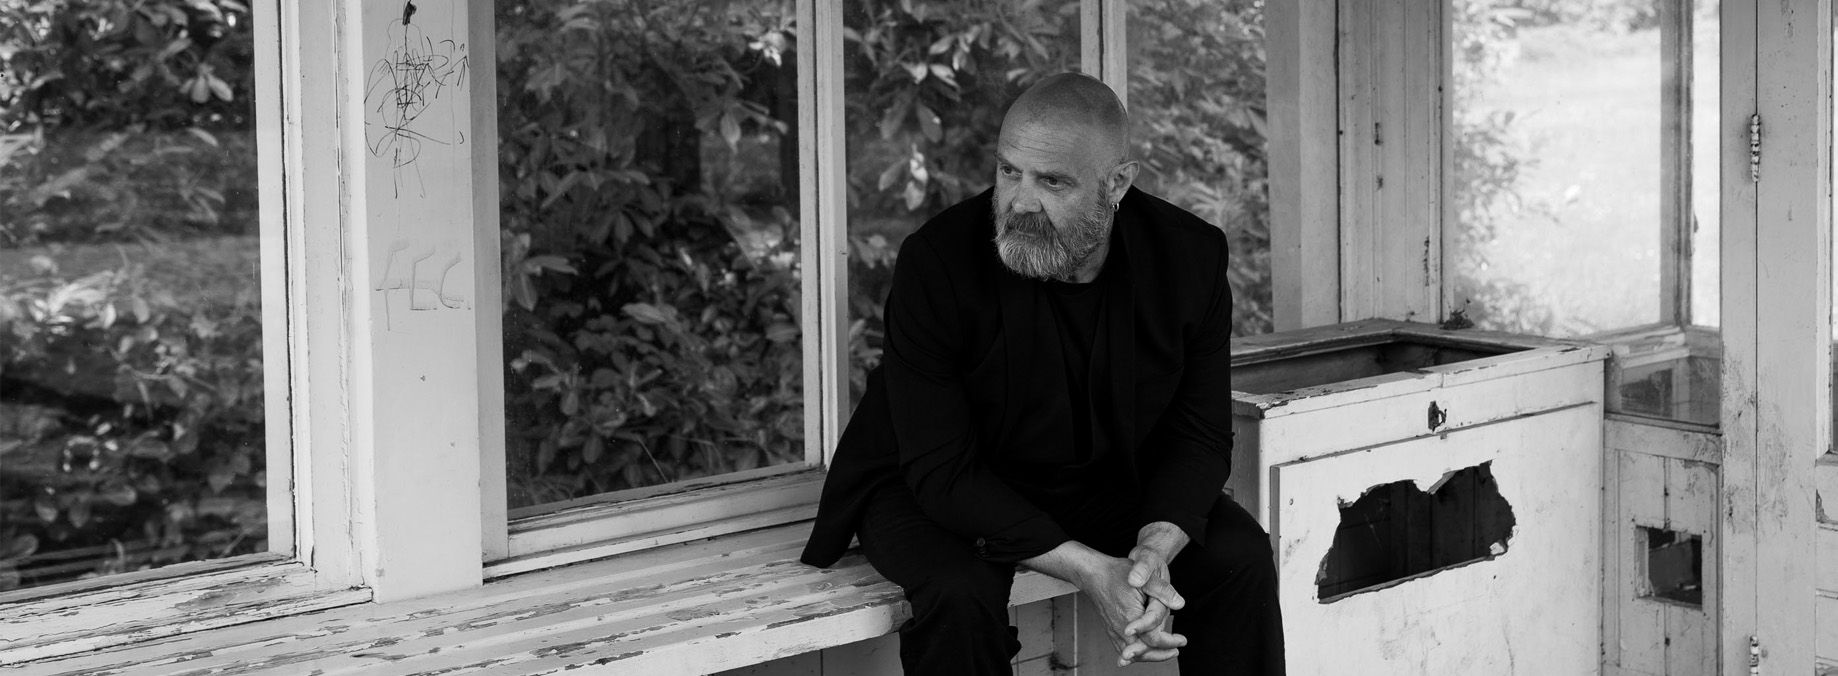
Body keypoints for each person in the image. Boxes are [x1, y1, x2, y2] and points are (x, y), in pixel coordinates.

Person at [800, 72, 1284, 675]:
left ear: (1117, 184)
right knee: (958, 593)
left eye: (1052, 181)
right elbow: (940, 469)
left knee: (1239, 557)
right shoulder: (938, 261)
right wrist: (1091, 569)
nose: (1020, 201)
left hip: (1100, 480)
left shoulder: (1188, 256)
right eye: (1009, 172)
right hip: (934, 483)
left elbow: (1200, 433)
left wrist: (1153, 552)